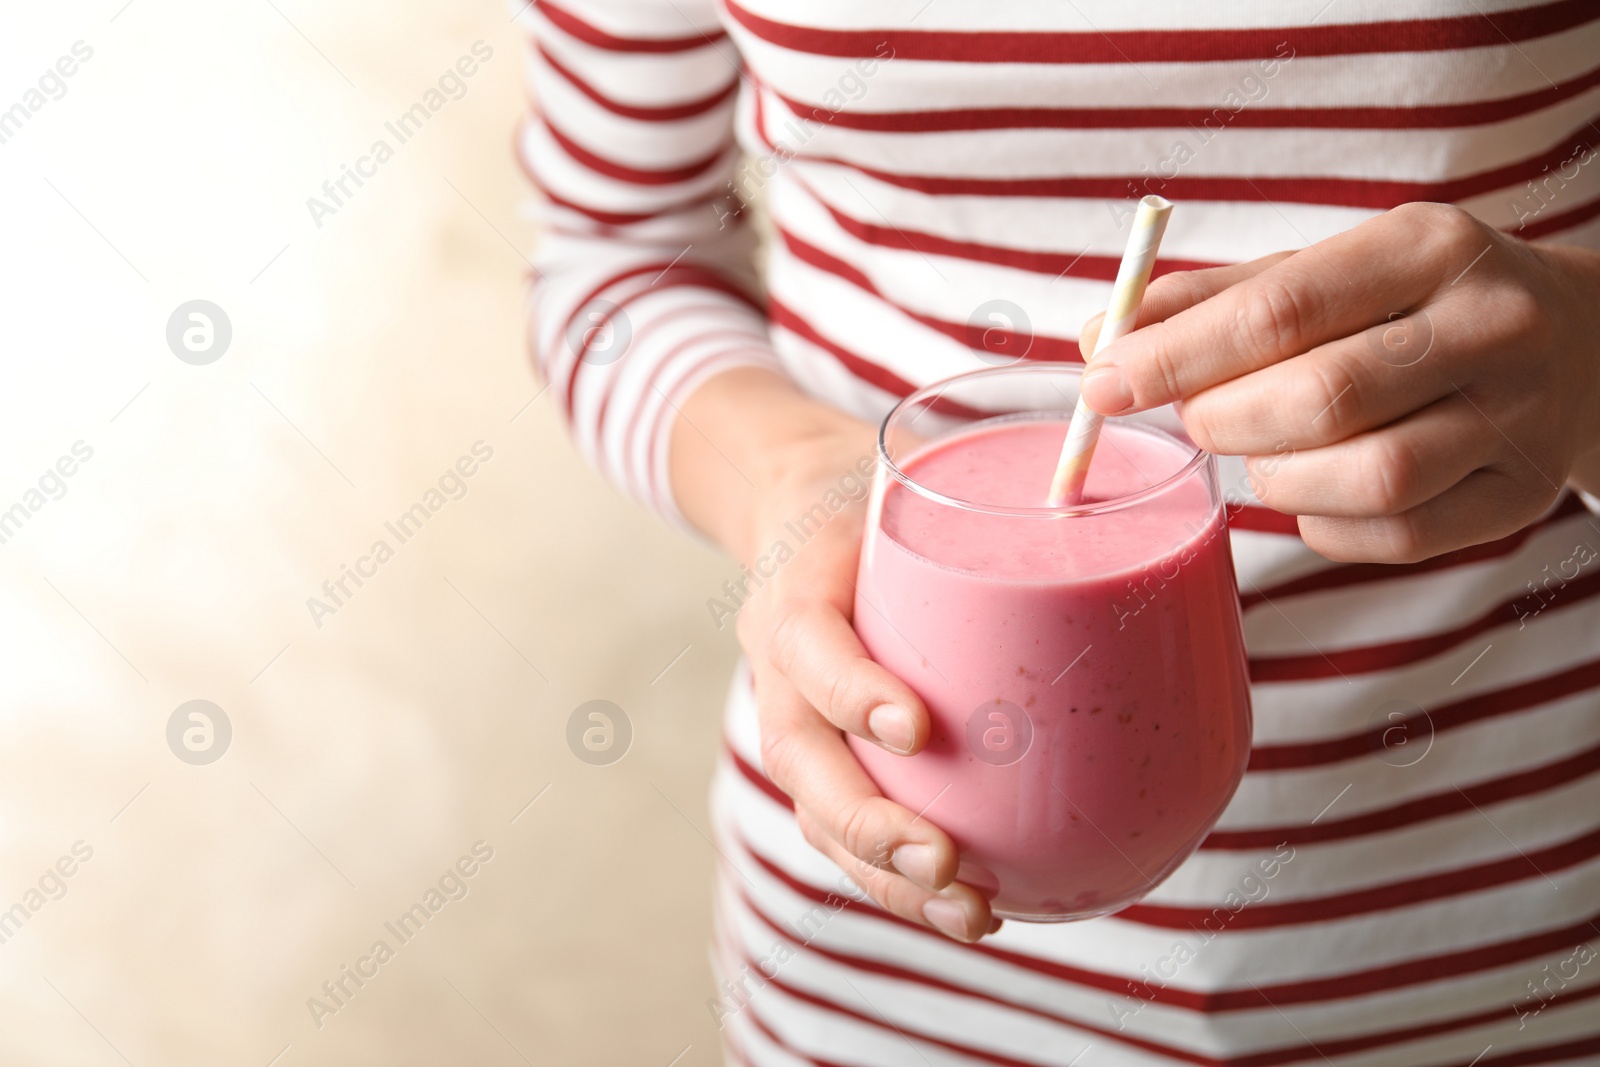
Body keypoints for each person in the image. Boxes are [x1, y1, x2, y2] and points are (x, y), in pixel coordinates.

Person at [518, 1, 1600, 1062]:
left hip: (1494, 938)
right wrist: (792, 481)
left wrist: (1584, 365)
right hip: (884, 946)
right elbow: (607, 257)